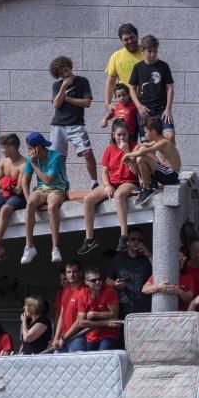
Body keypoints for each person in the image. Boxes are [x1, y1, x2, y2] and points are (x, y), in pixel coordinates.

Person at [79, 120, 140, 255]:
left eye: (124, 134)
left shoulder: (134, 147)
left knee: (118, 195)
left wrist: (127, 152)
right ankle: (89, 239)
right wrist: (106, 185)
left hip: (129, 181)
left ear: (128, 134)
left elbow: (136, 172)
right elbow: (104, 171)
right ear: (113, 135)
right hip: (112, 182)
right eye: (119, 135)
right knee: (88, 199)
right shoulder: (109, 149)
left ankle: (124, 236)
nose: (121, 138)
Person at [20, 131, 70, 265]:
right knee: (30, 203)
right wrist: (29, 201)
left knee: (52, 206)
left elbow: (48, 180)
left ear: (39, 147)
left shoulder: (56, 157)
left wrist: (35, 165)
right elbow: (24, 181)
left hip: (58, 188)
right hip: (41, 190)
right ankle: (29, 247)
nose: (29, 152)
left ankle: (55, 248)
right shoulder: (31, 159)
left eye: (31, 148)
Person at [48, 55, 97, 186]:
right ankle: (62, 186)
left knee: (87, 152)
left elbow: (87, 102)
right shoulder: (57, 85)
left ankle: (94, 182)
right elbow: (56, 104)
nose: (65, 73)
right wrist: (64, 86)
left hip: (76, 125)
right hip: (58, 125)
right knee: (59, 158)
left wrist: (68, 99)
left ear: (70, 66)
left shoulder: (82, 81)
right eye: (61, 73)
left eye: (65, 70)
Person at [0, 133, 27, 266]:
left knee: (5, 209)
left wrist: (6, 184)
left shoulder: (24, 164)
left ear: (12, 147)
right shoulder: (3, 161)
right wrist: (6, 183)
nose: (2, 151)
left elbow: (19, 190)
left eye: (4, 148)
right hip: (5, 193)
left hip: (19, 197)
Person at [128, 35, 176, 140]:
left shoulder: (164, 66)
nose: (153, 54)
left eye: (155, 51)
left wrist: (168, 109)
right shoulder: (138, 67)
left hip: (162, 110)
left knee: (169, 137)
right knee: (148, 145)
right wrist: (139, 107)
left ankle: (170, 157)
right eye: (149, 51)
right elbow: (131, 88)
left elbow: (170, 88)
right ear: (142, 51)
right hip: (146, 111)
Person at [126, 118, 182, 207]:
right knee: (142, 149)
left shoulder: (163, 142)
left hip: (171, 175)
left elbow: (143, 153)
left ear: (154, 132)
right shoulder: (158, 140)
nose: (145, 135)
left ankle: (147, 188)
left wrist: (128, 155)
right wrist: (136, 150)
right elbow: (143, 146)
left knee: (141, 158)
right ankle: (150, 183)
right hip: (168, 173)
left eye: (146, 132)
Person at [106, 227, 153, 318]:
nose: (137, 242)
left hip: (145, 306)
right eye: (133, 239)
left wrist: (148, 254)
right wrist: (115, 283)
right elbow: (107, 280)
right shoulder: (118, 259)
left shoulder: (147, 258)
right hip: (125, 306)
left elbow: (160, 271)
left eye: (140, 239)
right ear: (127, 242)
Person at [74, 267, 122, 351]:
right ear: (86, 282)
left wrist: (95, 314)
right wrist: (106, 322)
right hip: (91, 336)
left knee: (103, 359)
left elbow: (114, 315)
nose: (98, 282)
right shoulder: (82, 294)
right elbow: (82, 322)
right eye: (93, 280)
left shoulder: (109, 291)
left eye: (100, 279)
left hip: (109, 334)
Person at [103, 23, 144, 119]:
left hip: (144, 103)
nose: (129, 41)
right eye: (126, 39)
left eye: (132, 37)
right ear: (121, 41)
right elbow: (111, 81)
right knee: (126, 133)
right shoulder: (116, 56)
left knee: (146, 133)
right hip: (126, 104)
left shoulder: (146, 53)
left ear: (137, 36)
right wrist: (107, 103)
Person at [53, 261, 87, 352]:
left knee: (76, 366)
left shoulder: (84, 291)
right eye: (69, 272)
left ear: (80, 273)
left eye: (74, 271)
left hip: (77, 337)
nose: (71, 275)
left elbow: (79, 321)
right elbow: (61, 315)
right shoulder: (65, 289)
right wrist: (56, 337)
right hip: (62, 339)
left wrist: (63, 339)